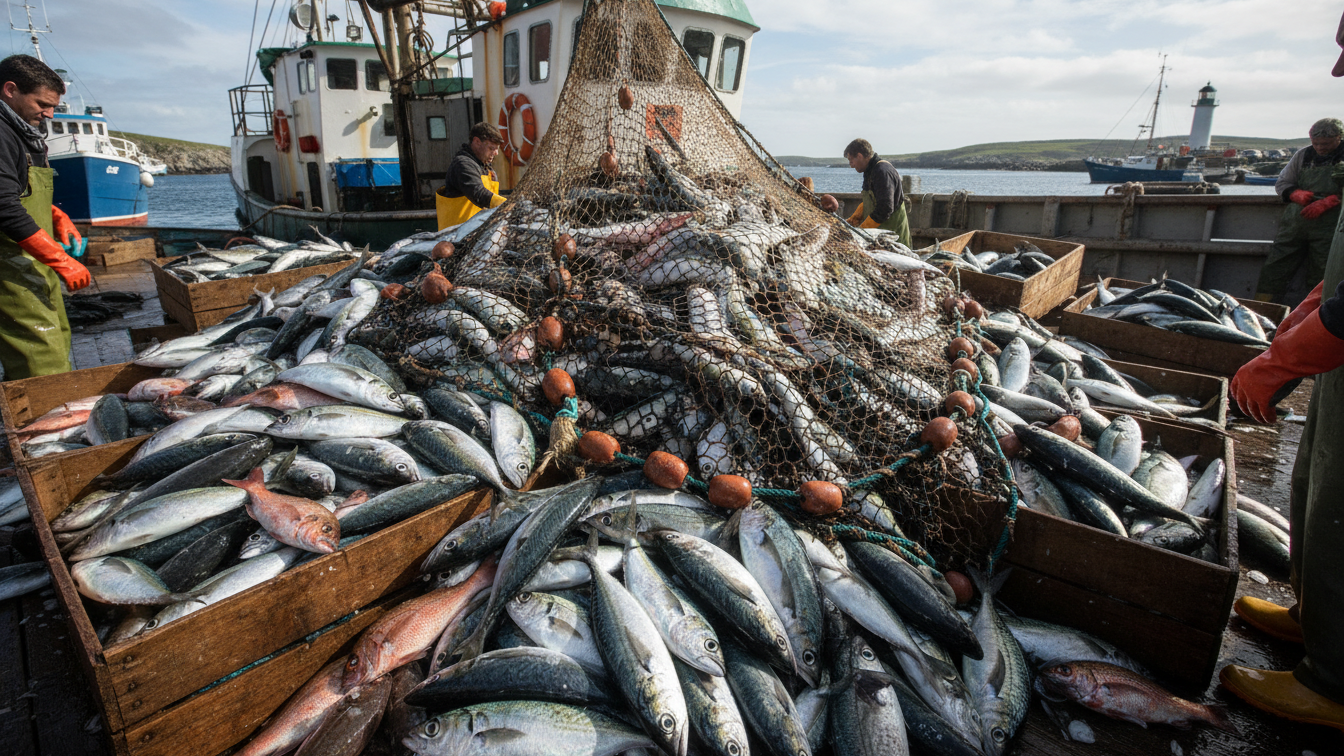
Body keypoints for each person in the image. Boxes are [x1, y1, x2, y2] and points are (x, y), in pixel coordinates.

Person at [1219, 13, 1344, 732]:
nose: (1336, 72)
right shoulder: (1313, 160)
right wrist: (1310, 308)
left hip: (1341, 348)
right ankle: (1318, 618)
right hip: (1336, 349)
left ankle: (1337, 679)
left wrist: (1280, 361)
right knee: (1317, 491)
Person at [0, 54, 88, 379]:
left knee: (57, 339)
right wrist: (62, 261)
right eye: (42, 103)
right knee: (41, 361)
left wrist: (56, 215)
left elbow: (18, 189)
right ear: (10, 89)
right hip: (9, 268)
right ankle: (38, 427)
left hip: (32, 262)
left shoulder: (23, 129)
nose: (49, 113)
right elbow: (4, 207)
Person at [1253, 117, 1344, 302]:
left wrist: (1332, 201)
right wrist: (1294, 194)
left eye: (1325, 143)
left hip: (1332, 230)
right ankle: (1262, 310)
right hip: (1295, 225)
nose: (1320, 147)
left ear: (1339, 137)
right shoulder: (1303, 155)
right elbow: (1282, 183)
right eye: (1316, 143)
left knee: (1323, 274)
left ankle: (1319, 318)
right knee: (1274, 268)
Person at [818, 139, 912, 248]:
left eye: (851, 160)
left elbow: (885, 208)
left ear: (859, 156)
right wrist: (854, 219)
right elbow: (871, 201)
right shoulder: (870, 170)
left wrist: (862, 231)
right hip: (879, 237)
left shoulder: (882, 171)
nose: (851, 165)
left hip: (894, 238)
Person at [436, 122, 507, 230]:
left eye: (497, 149)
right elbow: (478, 193)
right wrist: (509, 205)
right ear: (477, 142)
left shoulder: (486, 168)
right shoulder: (463, 164)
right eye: (492, 148)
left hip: (478, 232)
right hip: (455, 236)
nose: (496, 153)